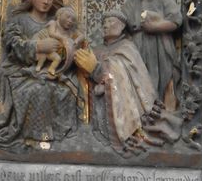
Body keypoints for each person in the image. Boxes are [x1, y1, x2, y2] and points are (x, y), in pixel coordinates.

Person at [0, 0, 84, 147]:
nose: (46, 1)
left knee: (64, 91)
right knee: (36, 89)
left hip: (52, 70)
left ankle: (59, 135)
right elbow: (12, 44)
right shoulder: (19, 20)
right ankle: (34, 137)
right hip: (19, 69)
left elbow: (70, 42)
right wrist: (37, 46)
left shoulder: (57, 24)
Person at [74, 11, 181, 153]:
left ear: (122, 26)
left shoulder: (127, 47)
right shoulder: (97, 49)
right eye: (104, 23)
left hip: (125, 102)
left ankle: (129, 134)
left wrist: (97, 69)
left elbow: (124, 72)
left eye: (110, 22)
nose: (105, 26)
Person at [122, 0, 182, 109]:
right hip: (138, 44)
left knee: (165, 75)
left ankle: (166, 110)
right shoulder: (133, 0)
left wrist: (156, 26)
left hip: (161, 44)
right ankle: (143, 110)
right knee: (140, 75)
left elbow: (176, 21)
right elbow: (122, 21)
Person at [33, 6, 85, 77]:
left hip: (61, 60)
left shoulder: (70, 32)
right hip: (45, 51)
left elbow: (82, 36)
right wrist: (62, 38)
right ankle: (39, 66)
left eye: (73, 19)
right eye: (67, 17)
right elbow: (49, 34)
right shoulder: (53, 24)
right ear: (59, 15)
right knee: (42, 59)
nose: (70, 21)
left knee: (57, 59)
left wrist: (77, 40)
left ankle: (52, 69)